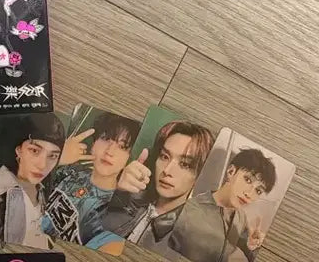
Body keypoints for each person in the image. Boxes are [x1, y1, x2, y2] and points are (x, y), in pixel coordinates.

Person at [90, 121, 215, 255]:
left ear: (201, 174)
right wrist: (114, 189)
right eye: (164, 157)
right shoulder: (128, 202)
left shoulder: (191, 239)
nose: (167, 170)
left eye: (185, 164)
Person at [42, 112, 140, 247]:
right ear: (93, 144)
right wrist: (55, 159)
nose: (110, 151)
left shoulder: (116, 211)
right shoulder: (69, 171)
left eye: (122, 147)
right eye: (105, 139)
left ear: (129, 158)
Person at [0, 113, 65, 249]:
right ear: (19, 150)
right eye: (34, 151)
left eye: (53, 156)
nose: (43, 165)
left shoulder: (42, 190)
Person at [164, 148, 277, 262]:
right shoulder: (187, 211)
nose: (249, 194)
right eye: (247, 180)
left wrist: (251, 246)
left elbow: (246, 251)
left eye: (258, 190)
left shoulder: (241, 217)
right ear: (231, 172)